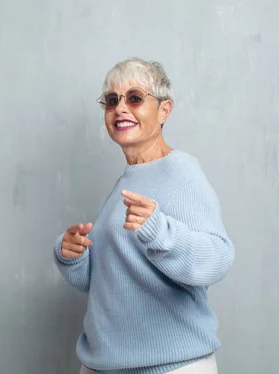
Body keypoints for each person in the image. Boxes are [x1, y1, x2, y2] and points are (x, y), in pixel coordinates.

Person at [54, 58, 234, 374]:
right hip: (103, 364)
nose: (120, 108)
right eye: (112, 101)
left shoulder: (182, 172)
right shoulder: (126, 183)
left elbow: (218, 258)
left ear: (164, 110)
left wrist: (159, 232)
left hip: (169, 367)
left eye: (134, 98)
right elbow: (107, 283)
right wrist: (73, 254)